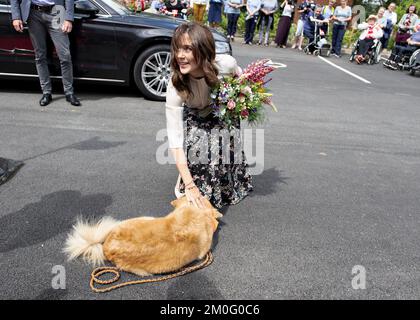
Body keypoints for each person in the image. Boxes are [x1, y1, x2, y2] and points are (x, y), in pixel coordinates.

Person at [165, 22, 253, 209]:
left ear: (203, 50)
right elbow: (175, 140)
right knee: (201, 155)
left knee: (220, 146)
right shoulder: (176, 85)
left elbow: (242, 80)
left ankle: (229, 180)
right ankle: (192, 175)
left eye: (187, 49)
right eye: (177, 49)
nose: (180, 55)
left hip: (219, 110)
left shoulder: (225, 64)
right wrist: (189, 184)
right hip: (195, 114)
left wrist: (243, 98)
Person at [10, 0, 81, 107]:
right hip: (33, 14)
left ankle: (69, 92)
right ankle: (46, 92)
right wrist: (16, 16)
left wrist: (68, 18)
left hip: (57, 11)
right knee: (40, 56)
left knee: (65, 55)